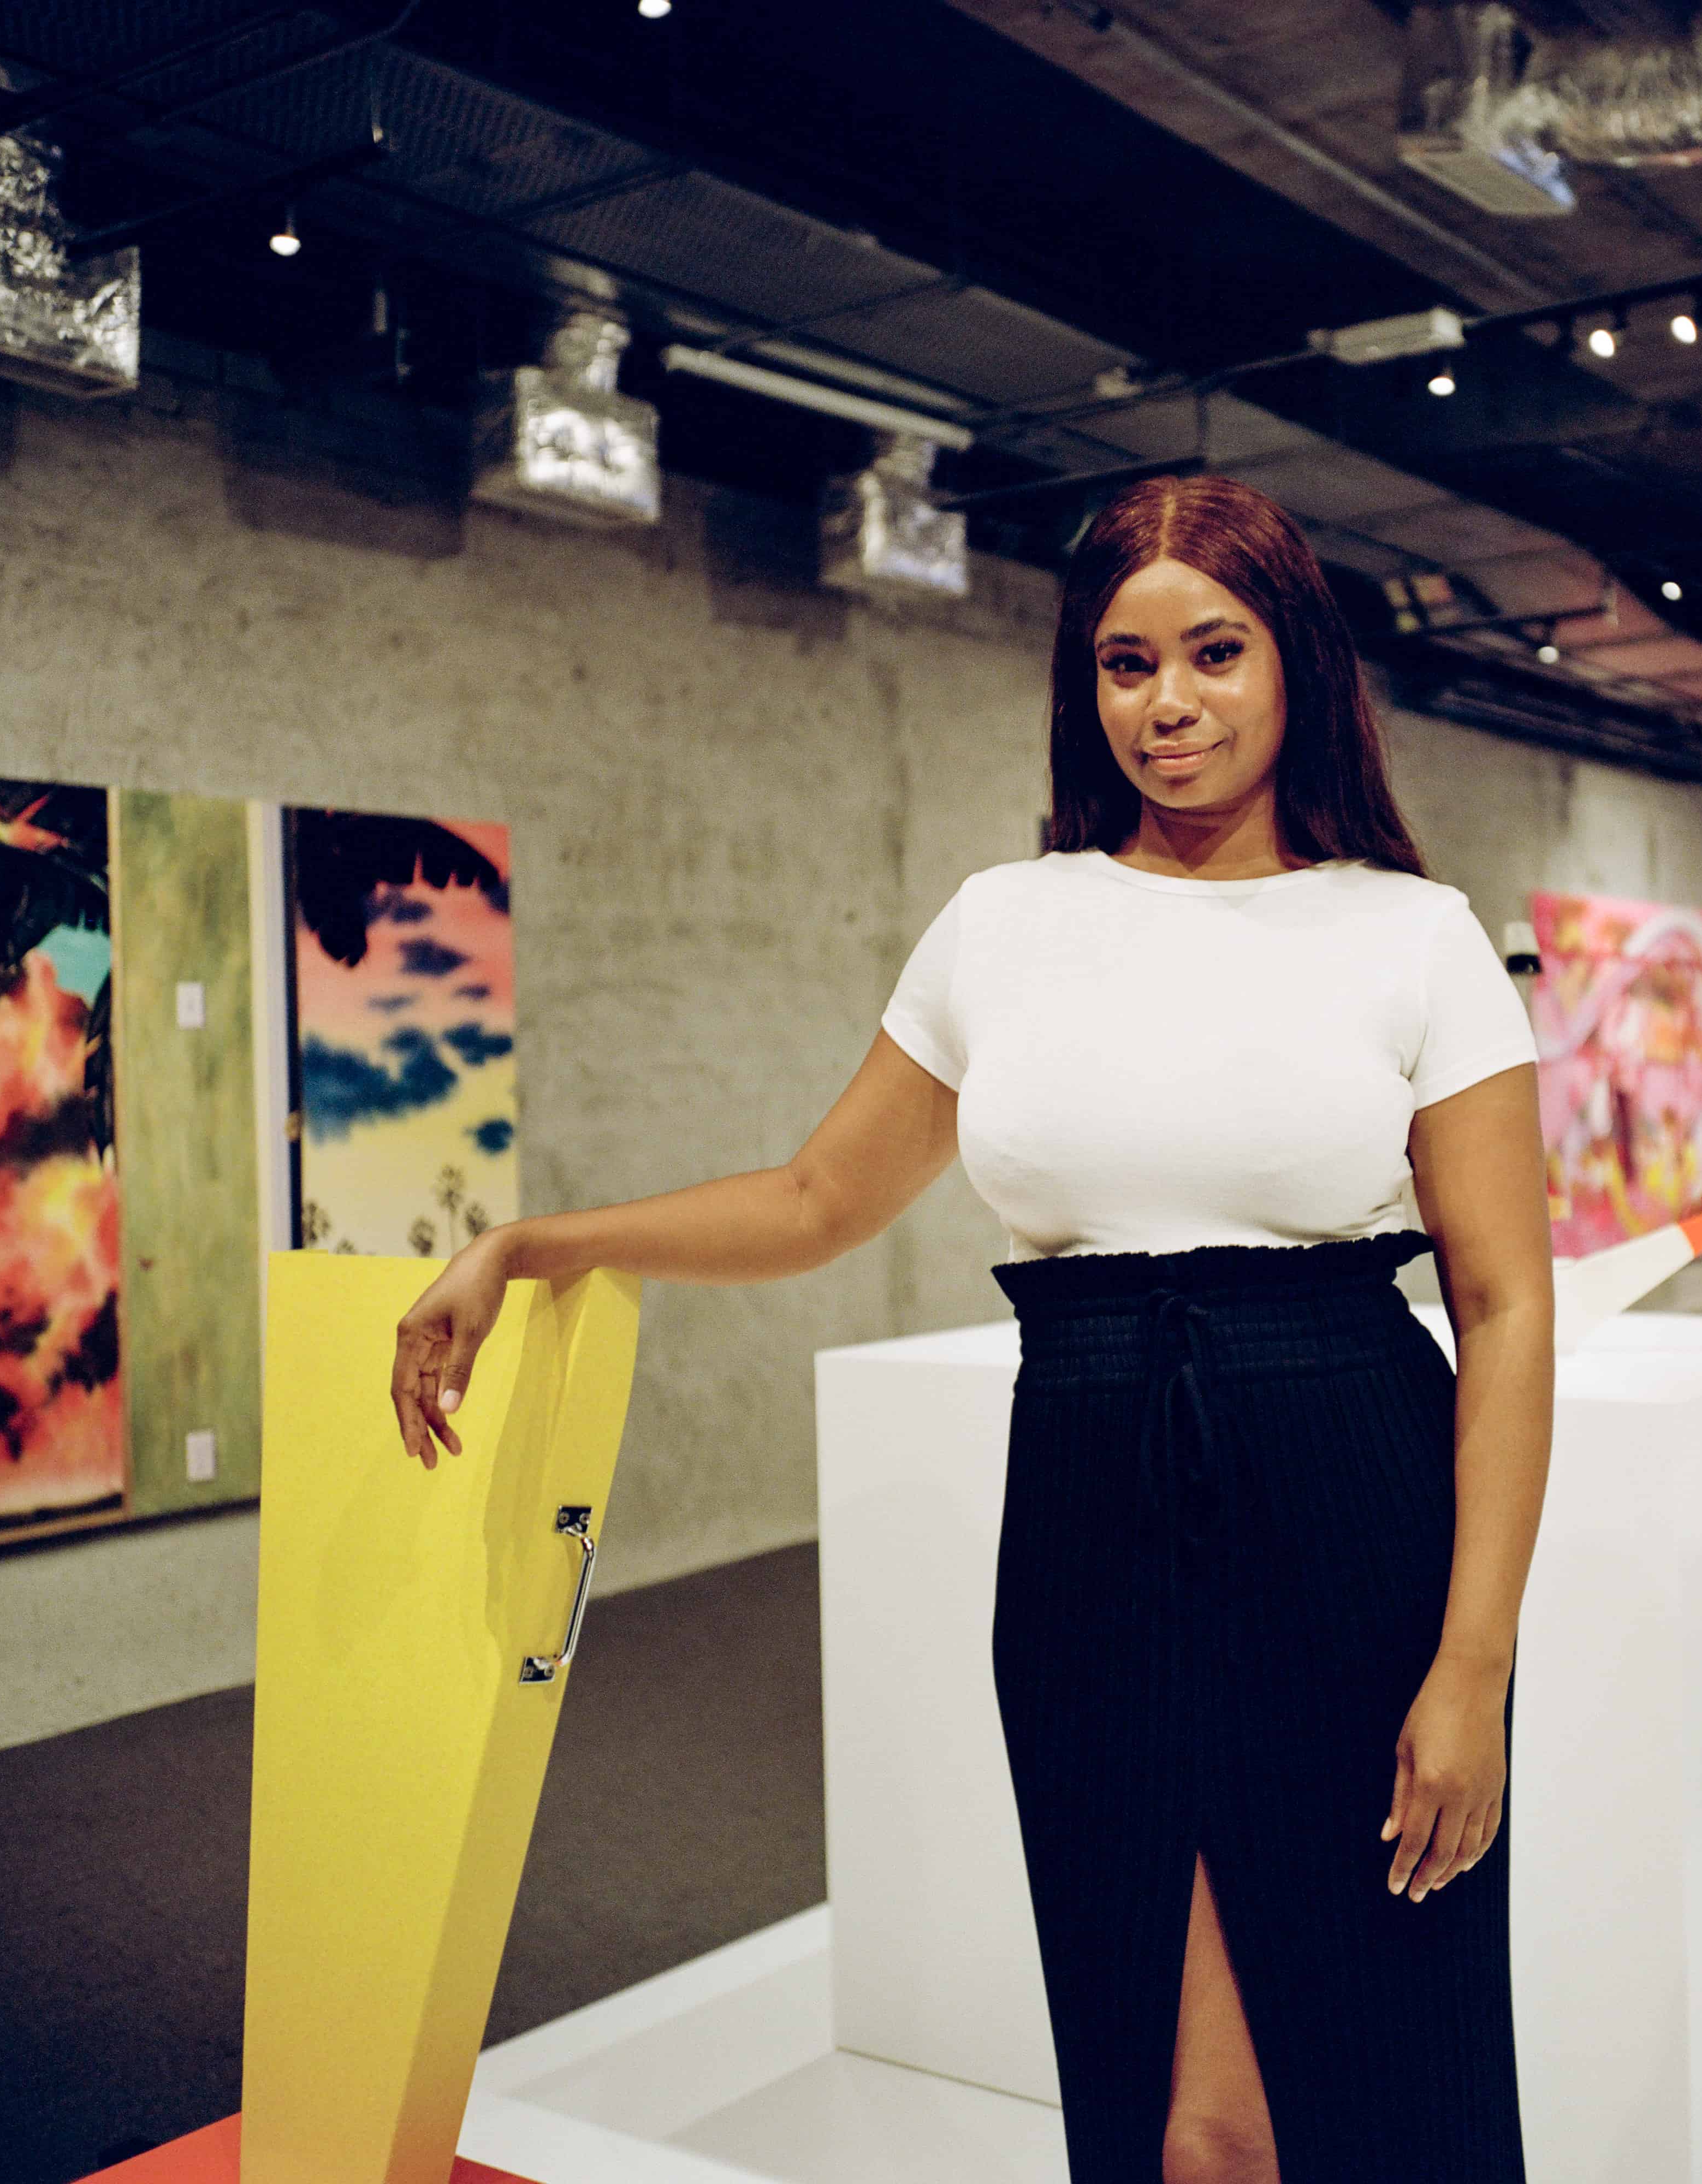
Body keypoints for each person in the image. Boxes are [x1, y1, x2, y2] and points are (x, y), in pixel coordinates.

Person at [390, 473, 1556, 2183]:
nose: (1168, 705)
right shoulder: (1005, 924)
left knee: (1374, 2073)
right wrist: (536, 1241)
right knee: (1178, 2111)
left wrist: (1474, 1669)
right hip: (1090, 1519)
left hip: (1350, 1504)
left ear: (1294, 658)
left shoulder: (1415, 935)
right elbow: (816, 1201)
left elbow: (1509, 1304)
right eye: (1124, 663)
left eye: (1214, 653)